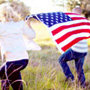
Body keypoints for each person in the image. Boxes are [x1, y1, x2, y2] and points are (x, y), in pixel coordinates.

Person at [0, 4, 36, 90]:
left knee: (13, 82)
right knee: (3, 73)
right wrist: (29, 25)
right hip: (23, 60)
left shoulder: (1, 26)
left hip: (12, 61)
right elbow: (32, 36)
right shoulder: (20, 24)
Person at [58, 6, 88, 88]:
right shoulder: (84, 21)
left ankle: (70, 78)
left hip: (76, 49)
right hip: (84, 50)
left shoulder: (73, 22)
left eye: (72, 13)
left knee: (61, 60)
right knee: (79, 69)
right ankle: (82, 86)